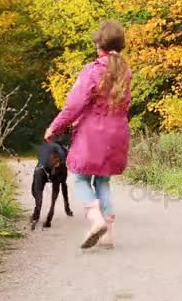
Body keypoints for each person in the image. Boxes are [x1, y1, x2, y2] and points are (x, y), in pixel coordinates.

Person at [44, 20, 132, 249]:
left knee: (81, 178)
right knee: (103, 180)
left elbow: (74, 105)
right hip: (117, 133)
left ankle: (95, 220)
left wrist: (55, 127)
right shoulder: (125, 72)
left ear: (99, 46)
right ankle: (108, 236)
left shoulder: (92, 70)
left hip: (92, 133)